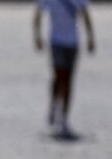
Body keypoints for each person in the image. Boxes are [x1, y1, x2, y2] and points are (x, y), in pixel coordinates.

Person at [34, 0, 95, 137]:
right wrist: (37, 37)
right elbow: (38, 14)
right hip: (56, 42)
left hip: (73, 42)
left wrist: (91, 38)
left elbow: (85, 15)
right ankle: (54, 105)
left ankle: (64, 118)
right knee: (58, 77)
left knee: (68, 81)